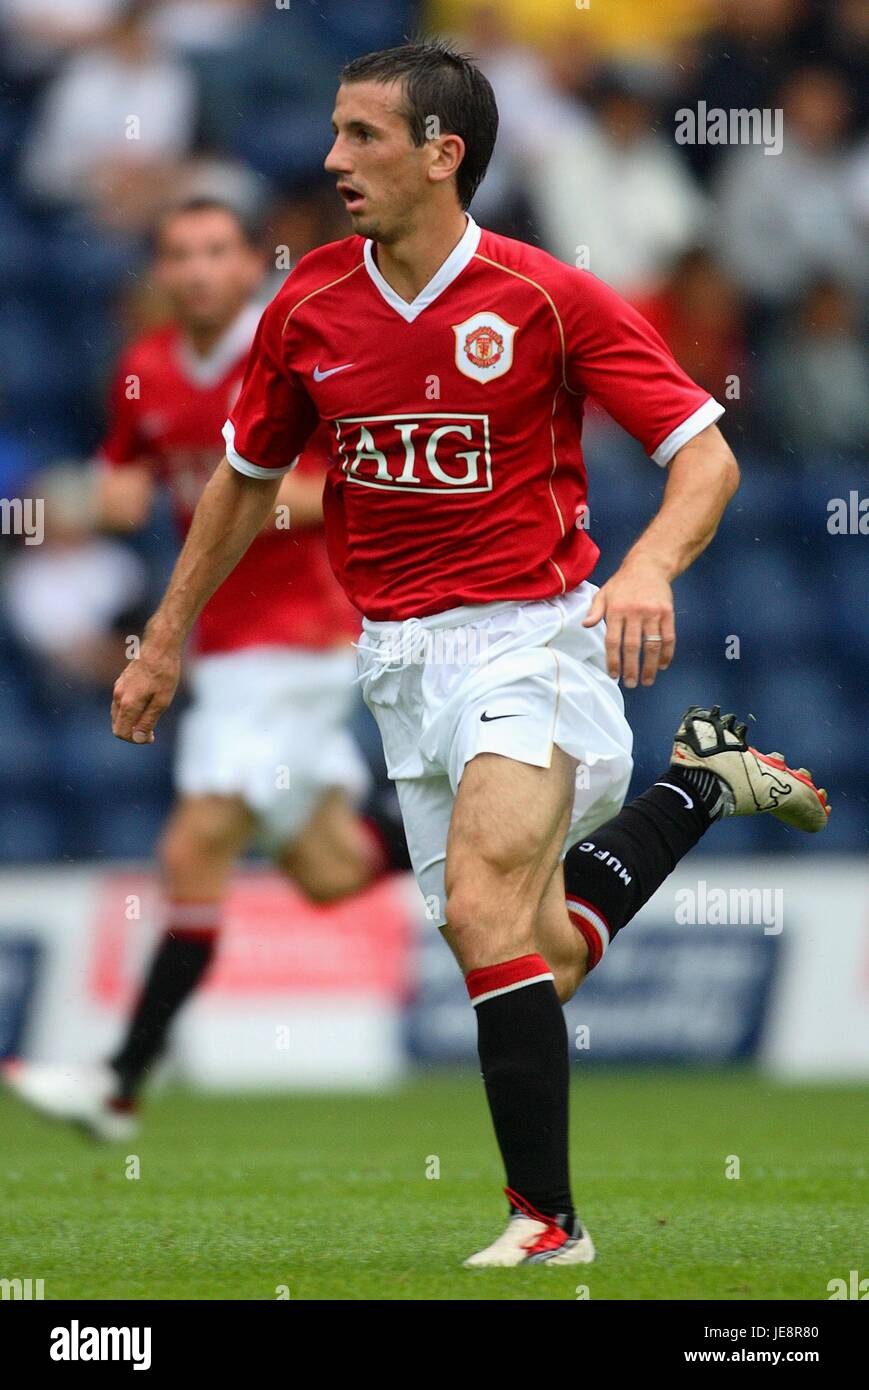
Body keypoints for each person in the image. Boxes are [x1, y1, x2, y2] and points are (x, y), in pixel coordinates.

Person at [105, 43, 829, 1265]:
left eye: (363, 137)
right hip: (393, 661)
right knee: (527, 954)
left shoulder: (544, 296)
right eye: (333, 134)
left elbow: (704, 457)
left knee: (488, 902)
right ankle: (699, 785)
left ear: (442, 156)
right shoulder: (308, 306)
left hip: (531, 637)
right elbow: (241, 480)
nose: (332, 161)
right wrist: (165, 635)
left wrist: (644, 568)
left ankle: (546, 1224)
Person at [3, 197, 404, 1140]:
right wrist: (75, 501)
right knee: (325, 870)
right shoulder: (145, 368)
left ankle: (116, 1086)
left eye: (214, 252)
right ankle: (457, 837)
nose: (194, 270)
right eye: (176, 253)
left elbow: (343, 485)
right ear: (161, 271)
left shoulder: (292, 355)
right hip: (222, 648)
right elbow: (123, 487)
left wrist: (237, 499)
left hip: (298, 639)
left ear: (244, 266)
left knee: (192, 850)